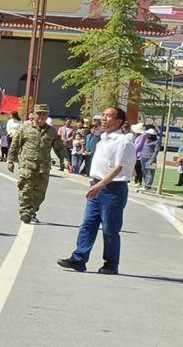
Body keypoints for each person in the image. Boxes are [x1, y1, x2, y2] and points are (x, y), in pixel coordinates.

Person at [58, 106, 135, 275]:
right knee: (88, 224)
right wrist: (95, 183)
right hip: (96, 184)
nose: (104, 119)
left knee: (110, 228)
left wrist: (101, 185)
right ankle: (79, 259)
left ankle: (111, 264)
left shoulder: (123, 142)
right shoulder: (102, 140)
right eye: (104, 116)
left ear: (119, 121)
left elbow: (119, 167)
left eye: (109, 116)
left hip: (113, 189)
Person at [7, 104, 70, 224]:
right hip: (27, 165)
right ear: (34, 115)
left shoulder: (51, 131)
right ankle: (24, 212)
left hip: (43, 167)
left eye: (44, 114)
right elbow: (15, 145)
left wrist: (65, 161)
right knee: (25, 189)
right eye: (39, 113)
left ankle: (31, 212)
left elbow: (59, 148)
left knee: (40, 193)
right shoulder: (24, 129)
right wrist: (10, 160)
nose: (41, 116)